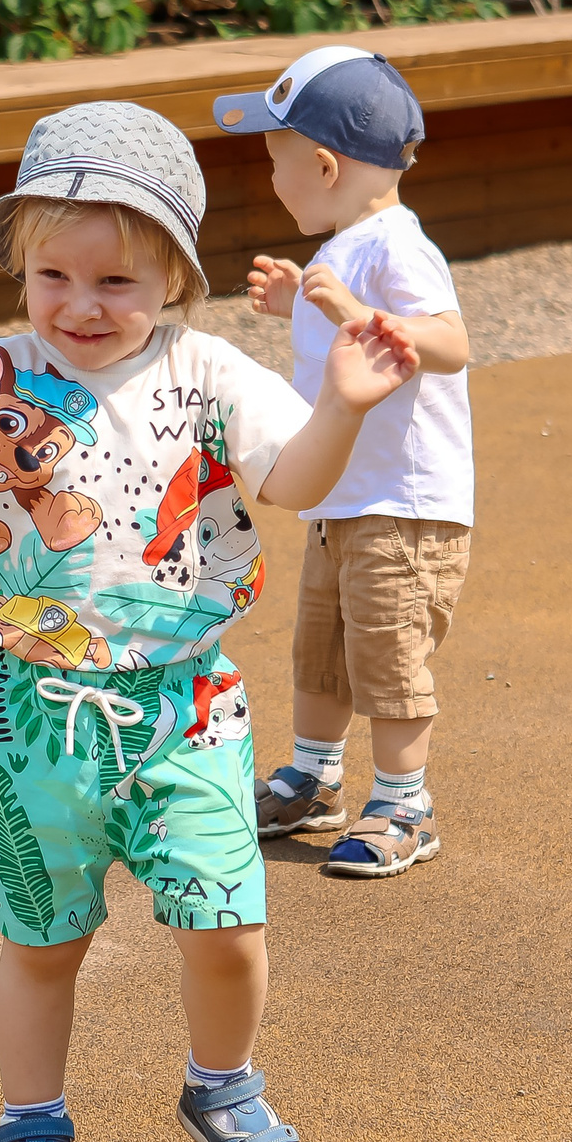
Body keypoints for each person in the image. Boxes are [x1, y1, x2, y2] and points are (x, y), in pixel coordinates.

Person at [0, 102, 418, 1142]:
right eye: (53, 275)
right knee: (44, 942)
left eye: (116, 284)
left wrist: (342, 403)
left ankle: (223, 1090)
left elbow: (291, 483)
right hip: (27, 715)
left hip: (185, 704)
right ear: (20, 269)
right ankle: (31, 1124)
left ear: (176, 280)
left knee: (228, 925)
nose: (80, 307)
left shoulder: (212, 371)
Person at [224, 49, 475, 880]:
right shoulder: (349, 244)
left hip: (403, 507)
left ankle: (405, 801)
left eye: (275, 162)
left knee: (387, 654)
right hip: (343, 500)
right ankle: (314, 777)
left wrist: (364, 311)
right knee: (321, 650)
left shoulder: (397, 245)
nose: (271, 180)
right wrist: (302, 299)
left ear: (325, 164)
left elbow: (450, 340)